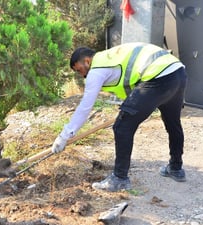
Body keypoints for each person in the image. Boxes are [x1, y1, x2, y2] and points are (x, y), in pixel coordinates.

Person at [51, 42, 188, 192]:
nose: (82, 75)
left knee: (122, 127)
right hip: (177, 72)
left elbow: (85, 107)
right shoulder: (110, 57)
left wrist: (64, 136)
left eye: (80, 70)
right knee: (173, 123)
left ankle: (119, 179)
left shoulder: (96, 70)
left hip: (157, 76)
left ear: (87, 61)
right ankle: (176, 168)